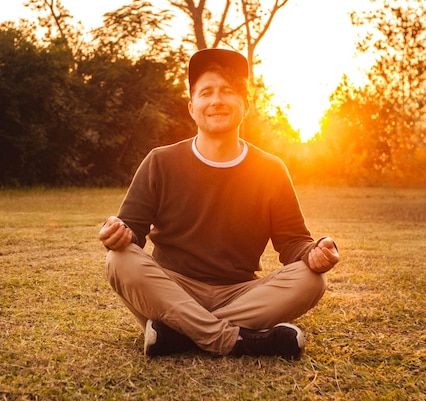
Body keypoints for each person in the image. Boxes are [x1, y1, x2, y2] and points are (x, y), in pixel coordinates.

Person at [98, 48, 340, 360]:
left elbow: (293, 243)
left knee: (311, 280)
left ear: (246, 105)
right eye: (206, 92)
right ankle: (239, 341)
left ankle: (178, 335)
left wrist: (316, 251)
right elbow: (131, 231)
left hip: (240, 291)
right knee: (119, 260)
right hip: (172, 288)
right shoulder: (161, 161)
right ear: (192, 107)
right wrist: (117, 232)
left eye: (227, 91)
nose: (216, 100)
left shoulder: (270, 169)